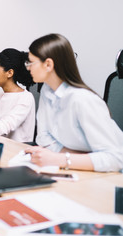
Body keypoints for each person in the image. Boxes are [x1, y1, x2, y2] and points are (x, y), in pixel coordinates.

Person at [24, 33, 123, 172]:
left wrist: (58, 158)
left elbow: (116, 158)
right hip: (83, 171)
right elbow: (43, 138)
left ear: (48, 64)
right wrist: (74, 157)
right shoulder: (47, 90)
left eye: (30, 62)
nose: (28, 67)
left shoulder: (82, 100)